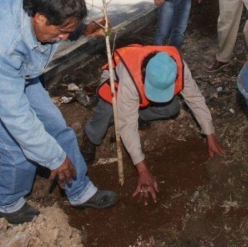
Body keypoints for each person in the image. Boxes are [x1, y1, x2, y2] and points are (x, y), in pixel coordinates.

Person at [0, 0, 117, 224]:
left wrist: (82, 28)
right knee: (18, 151)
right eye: (62, 31)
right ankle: (6, 201)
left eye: (69, 30)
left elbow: (62, 23)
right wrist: (54, 159)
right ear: (39, 18)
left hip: (20, 69)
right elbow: (15, 115)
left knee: (58, 128)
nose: (65, 38)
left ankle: (79, 191)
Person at [80, 45, 225, 202]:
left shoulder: (177, 67)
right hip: (116, 81)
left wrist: (210, 134)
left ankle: (138, 115)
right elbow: (127, 126)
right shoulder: (131, 77)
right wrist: (142, 170)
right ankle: (91, 135)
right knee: (110, 107)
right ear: (144, 74)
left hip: (140, 88)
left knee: (172, 108)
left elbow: (195, 98)